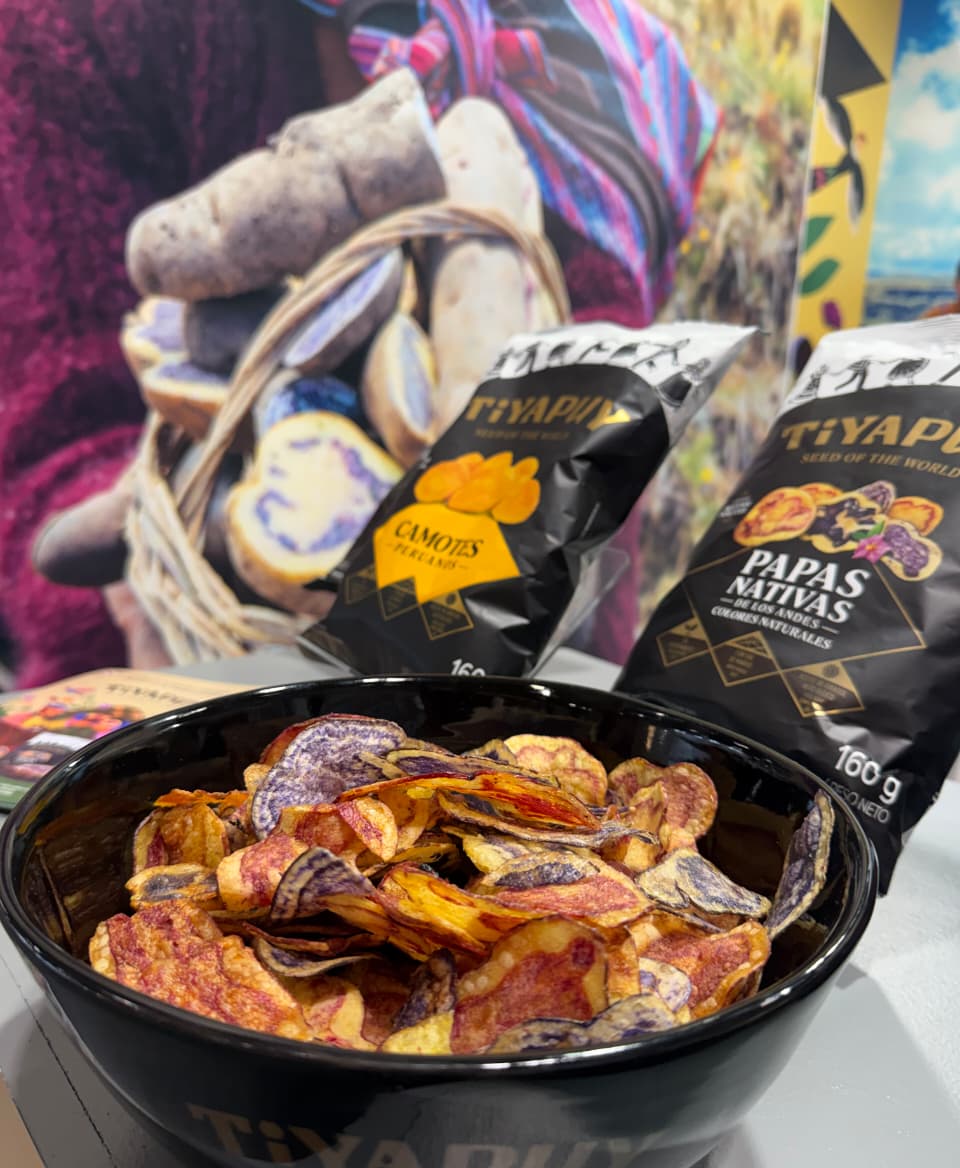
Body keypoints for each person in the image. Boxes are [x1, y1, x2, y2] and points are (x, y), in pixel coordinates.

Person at [0, 0, 715, 687]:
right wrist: (154, 590)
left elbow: (606, 428)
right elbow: (57, 438)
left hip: (523, 679)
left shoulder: (625, 67)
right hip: (180, 672)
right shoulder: (81, 21)